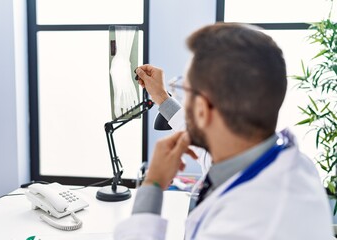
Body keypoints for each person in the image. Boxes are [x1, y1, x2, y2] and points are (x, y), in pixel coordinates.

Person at [114, 23, 333, 239]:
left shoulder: (241, 227)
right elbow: (208, 143)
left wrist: (152, 185)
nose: (183, 97)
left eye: (183, 89)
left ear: (202, 108)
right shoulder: (293, 165)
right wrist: (162, 98)